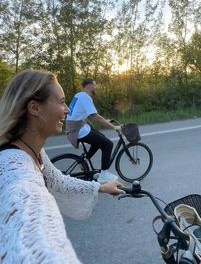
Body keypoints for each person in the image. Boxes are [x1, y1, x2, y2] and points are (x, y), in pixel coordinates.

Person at [0, 70, 125, 264]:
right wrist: (113, 127)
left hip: (80, 129)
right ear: (34, 108)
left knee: (99, 144)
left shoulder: (33, 150)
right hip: (81, 130)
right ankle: (102, 172)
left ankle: (98, 175)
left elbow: (57, 181)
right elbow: (31, 223)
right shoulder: (17, 172)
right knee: (107, 145)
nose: (66, 109)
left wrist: (100, 187)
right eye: (60, 102)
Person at [66, 78, 121, 183]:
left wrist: (106, 121)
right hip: (78, 129)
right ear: (89, 85)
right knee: (108, 144)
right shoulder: (85, 97)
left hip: (76, 126)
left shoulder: (78, 95)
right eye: (94, 85)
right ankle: (104, 175)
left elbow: (83, 113)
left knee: (101, 140)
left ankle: (85, 160)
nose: (95, 88)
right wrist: (113, 127)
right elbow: (95, 116)